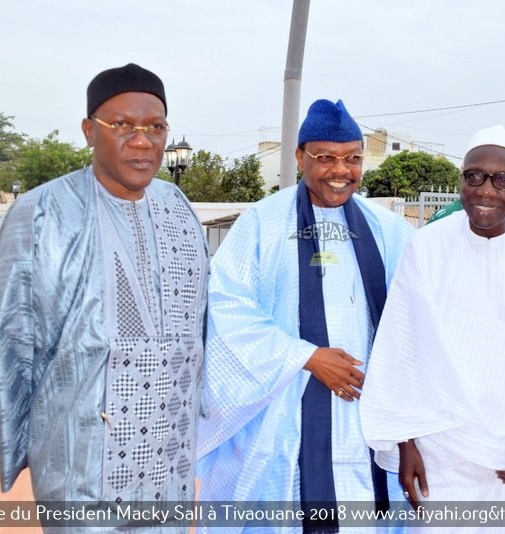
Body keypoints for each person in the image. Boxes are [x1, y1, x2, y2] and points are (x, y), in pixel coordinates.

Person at [0, 64, 208, 521]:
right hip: (81, 452)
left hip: (169, 453)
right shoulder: (41, 211)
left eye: (156, 127)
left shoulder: (177, 205)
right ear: (90, 131)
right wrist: (18, 441)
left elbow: (202, 321)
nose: (142, 141)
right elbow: (12, 337)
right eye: (122, 125)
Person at [360, 125, 505, 532]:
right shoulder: (428, 246)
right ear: (461, 180)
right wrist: (405, 443)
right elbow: (401, 348)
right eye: (475, 176)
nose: (487, 190)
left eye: (503, 179)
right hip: (442, 455)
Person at [196, 99, 415, 531]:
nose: (341, 170)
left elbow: (426, 291)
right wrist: (306, 357)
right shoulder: (263, 222)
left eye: (353, 158)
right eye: (326, 158)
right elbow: (226, 306)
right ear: (299, 158)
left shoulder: (386, 228)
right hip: (282, 414)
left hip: (363, 418)